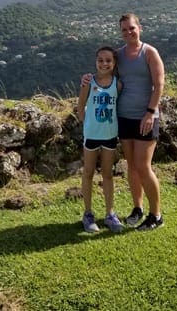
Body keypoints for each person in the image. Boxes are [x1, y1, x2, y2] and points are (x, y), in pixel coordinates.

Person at [115, 13, 164, 230]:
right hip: (124, 116)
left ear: (140, 28)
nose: (128, 32)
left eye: (131, 28)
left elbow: (159, 85)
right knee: (132, 166)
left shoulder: (149, 52)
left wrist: (150, 112)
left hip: (145, 117)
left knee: (144, 167)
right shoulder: (118, 55)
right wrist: (88, 81)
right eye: (124, 30)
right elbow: (107, 77)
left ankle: (156, 215)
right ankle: (138, 208)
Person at [76, 46, 123, 233]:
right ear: (96, 62)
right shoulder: (88, 82)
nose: (104, 63)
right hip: (92, 135)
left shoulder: (117, 84)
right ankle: (88, 214)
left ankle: (110, 213)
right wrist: (86, 125)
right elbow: (80, 106)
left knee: (108, 174)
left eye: (108, 60)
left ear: (114, 63)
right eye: (100, 60)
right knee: (88, 173)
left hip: (110, 134)